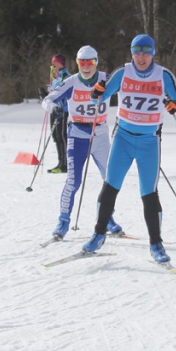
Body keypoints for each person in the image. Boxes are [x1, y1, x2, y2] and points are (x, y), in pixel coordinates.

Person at [81, 34, 176, 264]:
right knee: (110, 186)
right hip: (123, 139)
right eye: (137, 53)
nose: (141, 57)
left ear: (153, 53)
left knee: (149, 192)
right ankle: (98, 235)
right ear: (132, 53)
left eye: (146, 53)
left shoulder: (164, 75)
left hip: (149, 142)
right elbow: (98, 98)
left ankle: (156, 245)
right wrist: (96, 92)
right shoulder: (123, 73)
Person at [41, 46, 123, 240]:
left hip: (100, 135)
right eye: (82, 63)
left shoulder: (107, 79)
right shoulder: (71, 82)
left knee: (110, 180)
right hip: (77, 135)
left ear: (96, 62)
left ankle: (107, 219)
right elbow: (48, 99)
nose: (86, 67)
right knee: (73, 180)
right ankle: (63, 222)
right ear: (77, 63)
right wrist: (53, 107)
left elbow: (128, 89)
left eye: (90, 62)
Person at [46, 54, 71, 173]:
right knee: (56, 136)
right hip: (55, 109)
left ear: (60, 63)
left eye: (55, 62)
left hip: (64, 110)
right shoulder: (55, 76)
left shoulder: (66, 76)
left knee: (62, 136)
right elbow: (54, 91)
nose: (53, 65)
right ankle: (60, 162)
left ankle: (65, 164)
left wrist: (62, 105)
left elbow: (66, 92)